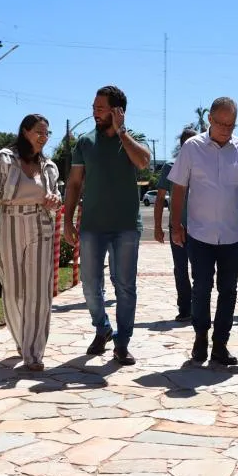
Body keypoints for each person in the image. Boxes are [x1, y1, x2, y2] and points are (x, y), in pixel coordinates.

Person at [169, 97, 238, 366]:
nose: (225, 129)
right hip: (200, 233)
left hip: (232, 234)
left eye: (230, 124)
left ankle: (221, 343)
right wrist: (176, 224)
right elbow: (179, 187)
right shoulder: (192, 147)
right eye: (221, 123)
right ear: (209, 119)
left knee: (229, 290)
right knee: (202, 288)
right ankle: (200, 338)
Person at [63, 85, 151, 365]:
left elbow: (143, 162)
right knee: (90, 284)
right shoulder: (85, 143)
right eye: (94, 108)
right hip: (92, 226)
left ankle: (122, 343)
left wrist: (122, 132)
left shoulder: (132, 139)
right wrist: (67, 219)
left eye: (100, 109)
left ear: (117, 110)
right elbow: (75, 183)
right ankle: (102, 328)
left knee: (124, 286)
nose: (95, 113)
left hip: (126, 226)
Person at [0, 114, 63, 371]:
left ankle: (34, 353)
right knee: (14, 289)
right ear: (25, 132)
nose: (44, 137)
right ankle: (21, 339)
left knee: (39, 291)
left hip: (41, 226)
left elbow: (56, 199)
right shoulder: (4, 158)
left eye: (47, 133)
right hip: (9, 224)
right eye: (39, 132)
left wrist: (53, 201)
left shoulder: (49, 166)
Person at [154, 126, 199, 323]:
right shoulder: (170, 166)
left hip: (201, 227)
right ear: (182, 145)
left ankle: (199, 306)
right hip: (178, 227)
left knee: (201, 270)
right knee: (180, 268)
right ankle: (185, 308)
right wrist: (158, 226)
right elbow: (160, 198)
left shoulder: (204, 165)